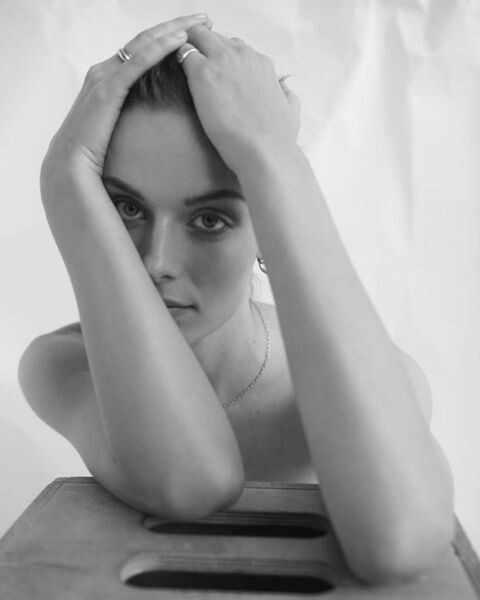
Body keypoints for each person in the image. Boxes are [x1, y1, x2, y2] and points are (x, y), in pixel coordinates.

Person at [18, 14, 455, 583]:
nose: (155, 262)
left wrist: (272, 159)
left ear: (266, 222)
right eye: (126, 208)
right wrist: (64, 175)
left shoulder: (369, 375)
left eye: (209, 219)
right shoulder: (64, 364)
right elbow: (190, 483)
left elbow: (402, 543)